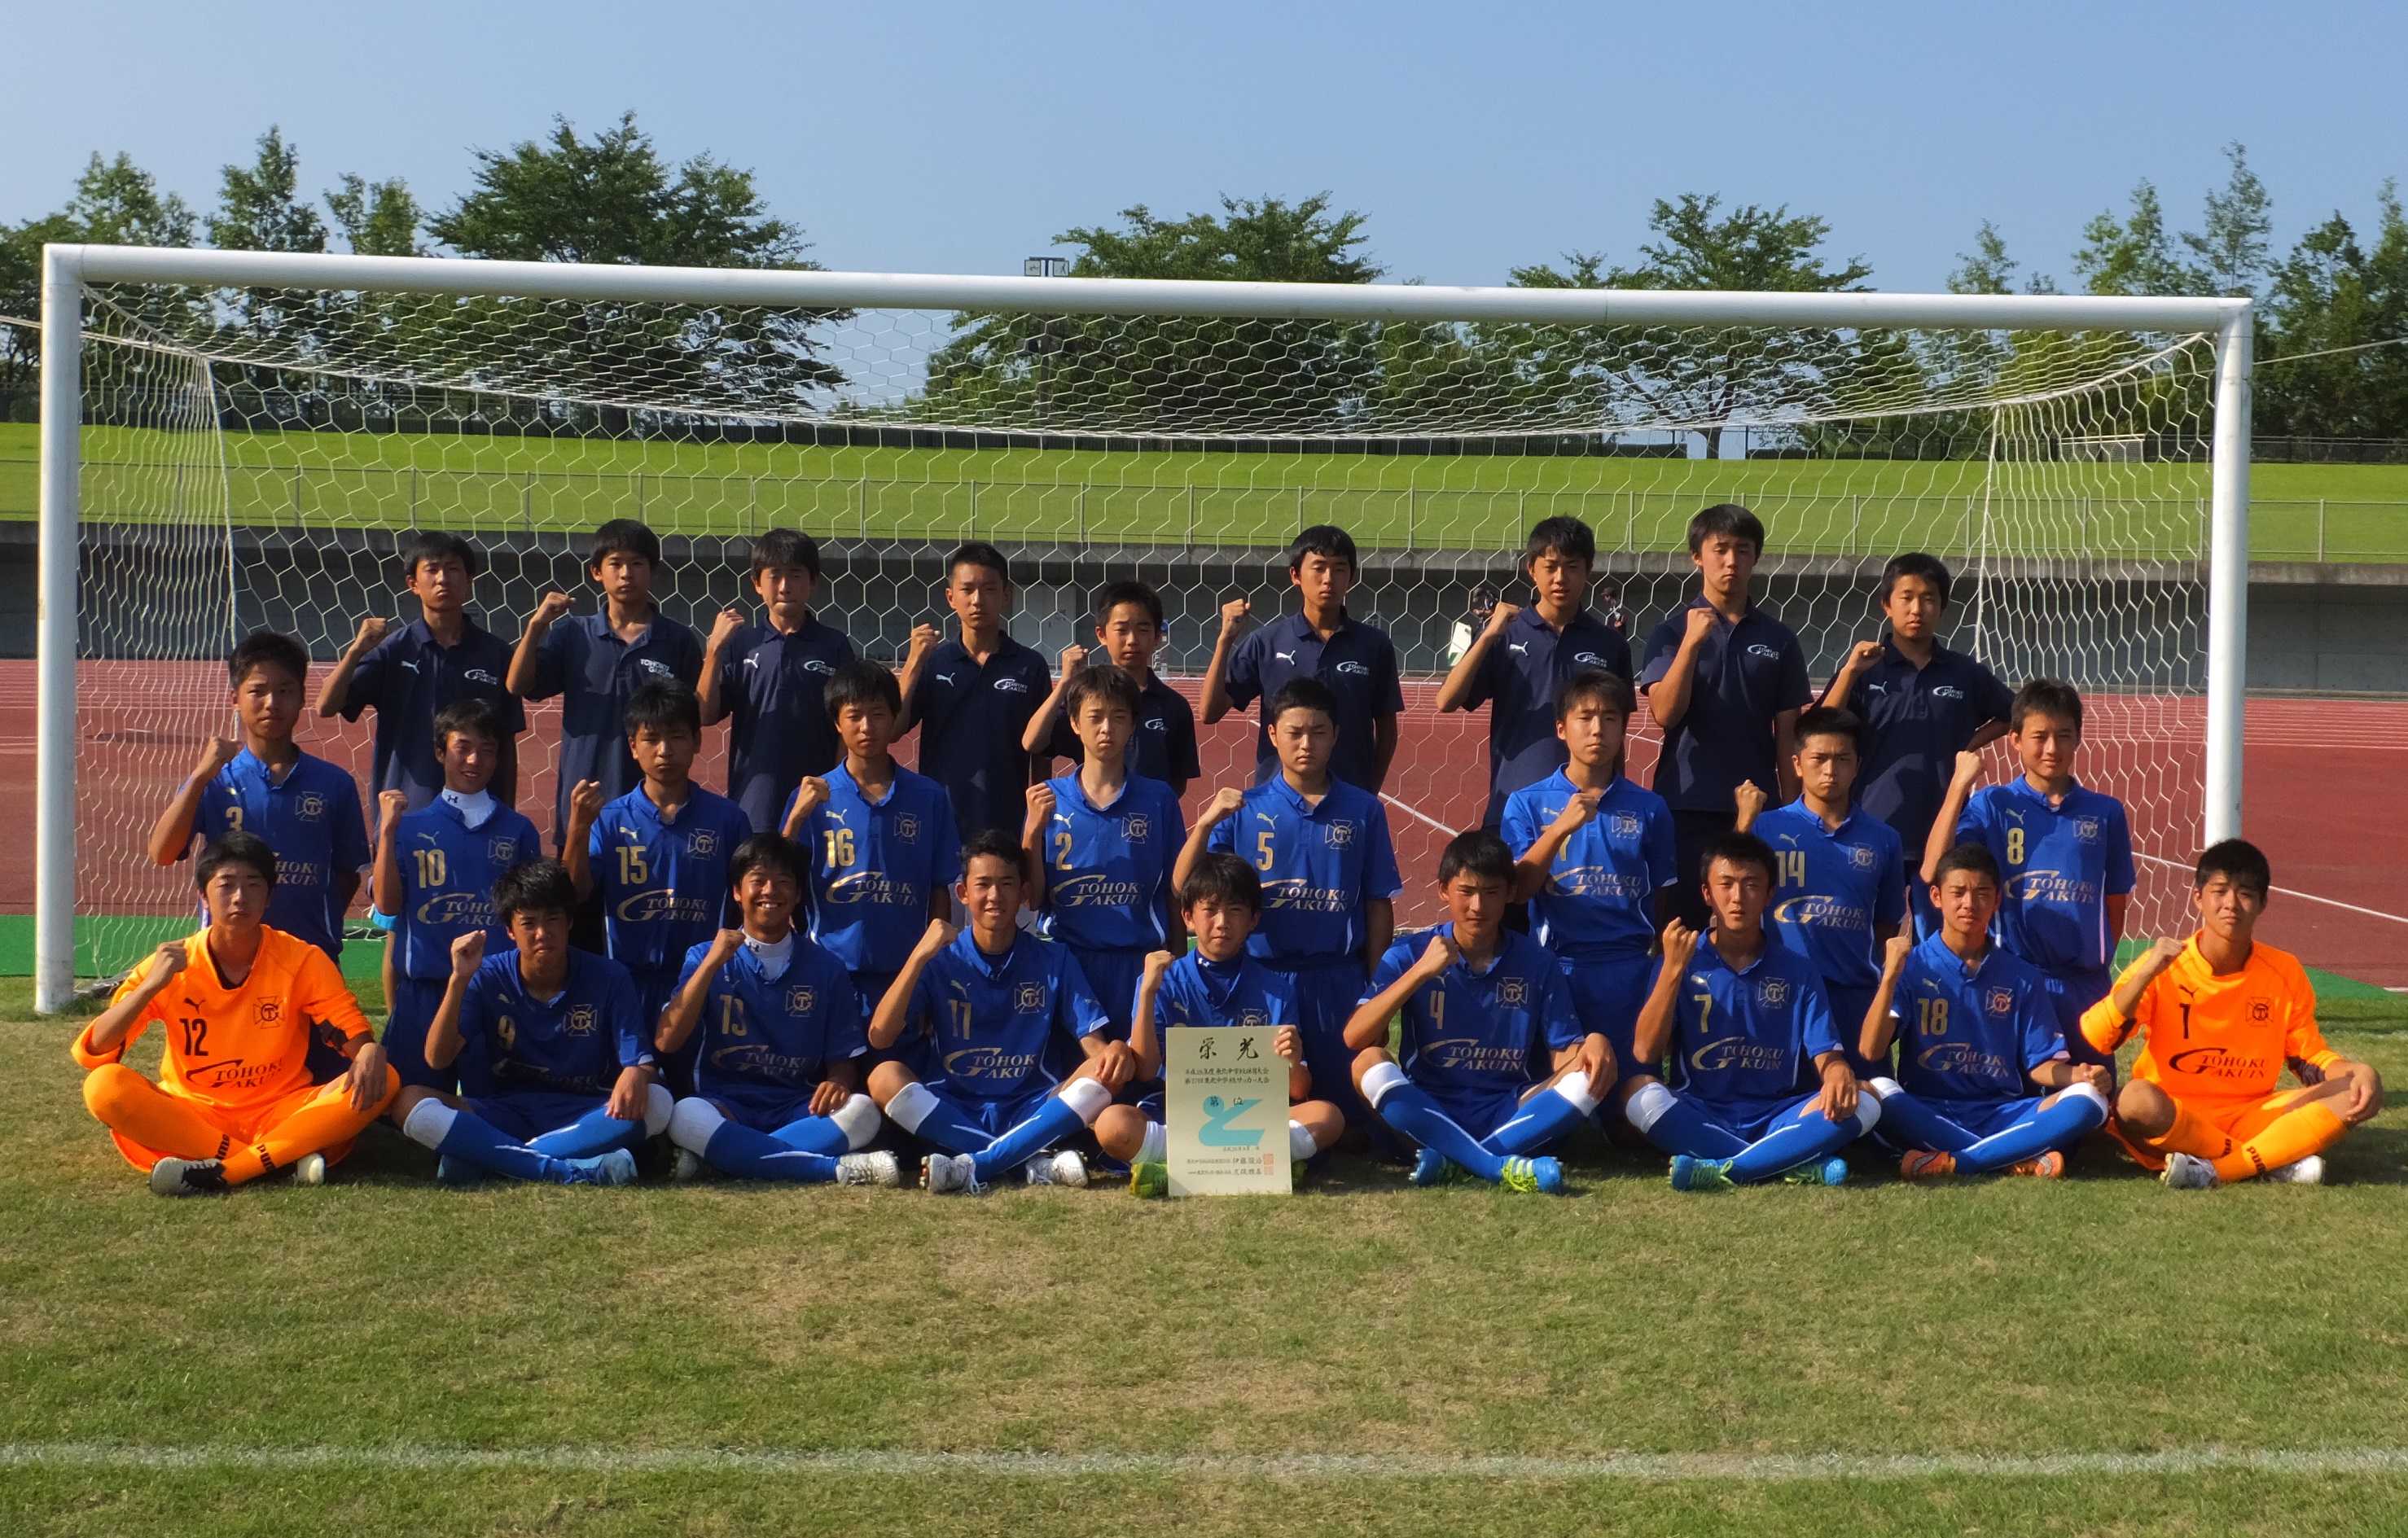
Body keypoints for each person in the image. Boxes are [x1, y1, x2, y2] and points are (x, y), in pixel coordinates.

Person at [75, 831, 396, 1195]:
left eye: (253, 885)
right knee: (103, 1087)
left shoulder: (300, 958)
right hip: (195, 1113)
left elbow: (347, 1026)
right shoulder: (172, 963)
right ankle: (280, 1159)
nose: (240, 898)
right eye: (226, 885)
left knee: (384, 1078)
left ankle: (225, 1171)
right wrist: (150, 987)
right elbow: (97, 1050)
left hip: (281, 1109)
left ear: (269, 896)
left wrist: (367, 1049)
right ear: (203, 896)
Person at [2083, 839, 2386, 1190]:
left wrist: (2356, 1071)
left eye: (2245, 894)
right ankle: (2267, 1159)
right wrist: (2146, 973)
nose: (2231, 904)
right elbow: (2097, 1035)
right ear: (2198, 898)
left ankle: (2216, 1171)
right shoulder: (2163, 965)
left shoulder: (2283, 970)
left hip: (2251, 1114)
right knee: (2135, 1099)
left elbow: (2308, 1057)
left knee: (2356, 1092)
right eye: (2220, 891)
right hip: (2174, 1112)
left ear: (2262, 904)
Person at [1178, 677, 1401, 1137]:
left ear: (1336, 736)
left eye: (1319, 732)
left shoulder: (1364, 810)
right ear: (1272, 735)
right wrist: (1203, 823)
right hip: (1261, 978)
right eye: (1295, 732)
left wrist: (1376, 986)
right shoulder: (1242, 808)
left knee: (1352, 1124)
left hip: (1337, 977)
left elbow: (1379, 903)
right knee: (1254, 1109)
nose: (1307, 743)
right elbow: (1184, 883)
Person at [866, 830, 1135, 1193]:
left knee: (1109, 1072)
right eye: (983, 885)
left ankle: (983, 1161)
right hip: (954, 1106)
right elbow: (880, 1035)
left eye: (1007, 884)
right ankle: (1027, 1161)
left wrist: (1115, 1052)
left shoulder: (1054, 957)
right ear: (963, 894)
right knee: (883, 1076)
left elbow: (1093, 1045)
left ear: (1023, 894)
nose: (995, 896)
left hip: (1034, 1105)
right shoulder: (939, 959)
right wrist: (918, 956)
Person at [1344, 831, 1612, 1194]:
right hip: (1428, 1110)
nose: (1477, 907)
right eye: (1466, 892)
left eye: (1491, 893)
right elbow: (1354, 1037)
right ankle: (1494, 1166)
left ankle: (1456, 1161)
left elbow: (1563, 1054)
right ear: (1443, 891)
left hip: (1511, 1110)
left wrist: (1592, 1045)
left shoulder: (1537, 962)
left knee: (1595, 1070)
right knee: (1367, 1062)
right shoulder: (1410, 953)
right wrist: (1422, 971)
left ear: (1511, 894)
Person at [1618, 832, 1878, 1191]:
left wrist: (1838, 1071)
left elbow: (1826, 1055)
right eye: (1726, 885)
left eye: (1751, 885)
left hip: (1778, 1115)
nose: (1738, 897)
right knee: (1637, 1091)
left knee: (1867, 1096)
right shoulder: (1677, 960)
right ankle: (1789, 1161)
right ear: (1707, 894)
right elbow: (1646, 1052)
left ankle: (1725, 1169)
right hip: (1700, 1111)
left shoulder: (1799, 969)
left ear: (1770, 894)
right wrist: (1674, 971)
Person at [393, 859, 665, 1185]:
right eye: (528, 923)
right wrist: (457, 980)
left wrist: (635, 1071)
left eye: (552, 920)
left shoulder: (609, 976)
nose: (542, 934)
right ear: (510, 930)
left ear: (569, 923)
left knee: (660, 1102)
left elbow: (642, 1064)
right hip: (504, 1113)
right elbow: (438, 1058)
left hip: (584, 1113)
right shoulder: (487, 975)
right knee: (409, 1101)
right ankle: (573, 1171)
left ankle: (486, 1159)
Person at [656, 832, 901, 1187]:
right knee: (685, 1115)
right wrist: (710, 966)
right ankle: (834, 1169)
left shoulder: (826, 967)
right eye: (758, 881)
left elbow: (843, 1061)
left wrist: (837, 1082)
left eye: (784, 882)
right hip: (728, 1106)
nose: (770, 891)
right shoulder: (703, 955)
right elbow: (667, 1041)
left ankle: (728, 1159)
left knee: (862, 1112)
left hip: (798, 1108)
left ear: (799, 894)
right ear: (738, 892)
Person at [1858, 843, 2111, 1178]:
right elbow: (1870, 1049)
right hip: (1930, 1110)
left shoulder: (2021, 975)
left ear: (1996, 900)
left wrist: (2078, 1075)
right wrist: (1889, 977)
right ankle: (2012, 1157)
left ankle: (1958, 1161)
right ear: (1936, 897)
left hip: (2004, 1112)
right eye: (1958, 892)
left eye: (1981, 893)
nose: (1969, 904)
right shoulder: (1912, 965)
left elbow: (2041, 1065)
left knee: (2091, 1101)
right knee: (1879, 1091)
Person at [1926, 678, 2134, 1071]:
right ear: (2016, 739)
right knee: (2015, 1096)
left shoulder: (2105, 812)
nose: (2052, 748)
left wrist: (2096, 964)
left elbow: (2115, 902)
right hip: (2014, 979)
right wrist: (1958, 787)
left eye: (2063, 736)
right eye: (2040, 737)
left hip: (2085, 985)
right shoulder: (1994, 804)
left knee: (2093, 1098)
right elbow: (1934, 869)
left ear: (2078, 739)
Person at [1112, 854, 1346, 1194]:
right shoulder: (1161, 981)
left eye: (1235, 910)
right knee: (1113, 1125)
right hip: (1179, 1112)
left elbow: (1297, 1089)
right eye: (1210, 910)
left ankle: (1177, 1168)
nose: (1222, 922)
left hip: (1253, 1114)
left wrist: (1293, 1062)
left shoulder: (1277, 988)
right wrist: (1147, 994)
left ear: (1254, 919)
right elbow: (1146, 1071)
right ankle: (1268, 1164)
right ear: (1188, 917)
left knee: (1328, 1116)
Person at [564, 681, 752, 1095]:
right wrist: (577, 828)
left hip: (700, 980)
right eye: (651, 739)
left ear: (698, 742)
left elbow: (748, 904)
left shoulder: (727, 819)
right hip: (628, 981)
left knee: (698, 1090)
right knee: (629, 1091)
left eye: (676, 737)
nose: (664, 750)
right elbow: (575, 893)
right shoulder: (610, 819)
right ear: (633, 747)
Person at [147, 629, 373, 975]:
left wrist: (316, 922)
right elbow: (162, 853)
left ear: (301, 698)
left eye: (284, 691)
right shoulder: (216, 779)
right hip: (230, 961)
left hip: (310, 959)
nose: (272, 703)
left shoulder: (334, 783)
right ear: (235, 699)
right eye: (258, 691)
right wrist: (199, 778)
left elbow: (347, 875)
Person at [1501, 669, 1678, 1109]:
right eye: (1586, 717)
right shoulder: (1525, 803)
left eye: (1611, 718)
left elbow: (1664, 896)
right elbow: (1518, 891)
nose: (1598, 729)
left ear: (1625, 728)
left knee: (1631, 1113)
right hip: (1556, 969)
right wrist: (1559, 827)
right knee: (1557, 1108)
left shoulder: (1650, 807)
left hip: (1628, 970)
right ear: (1562, 728)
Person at [1819, 553, 2014, 937]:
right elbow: (1819, 727)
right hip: (1871, 827)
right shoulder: (1866, 668)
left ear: (1942, 606)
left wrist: (1970, 743)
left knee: (1937, 942)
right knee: (1867, 940)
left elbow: (2015, 713)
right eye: (1906, 597)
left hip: (1940, 830)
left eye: (1928, 598)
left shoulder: (1964, 672)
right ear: (1886, 605)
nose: (1917, 608)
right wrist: (1848, 672)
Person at [1638, 504, 1812, 930]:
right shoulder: (1671, 632)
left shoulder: (1779, 639)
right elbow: (1664, 713)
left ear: (1756, 557)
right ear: (1698, 556)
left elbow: (1787, 735)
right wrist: (1693, 643)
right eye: (1720, 549)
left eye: (1743, 550)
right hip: (1686, 805)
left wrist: (1792, 811)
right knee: (1680, 929)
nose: (1731, 561)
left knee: (1756, 927)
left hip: (1759, 803)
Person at [370, 698, 542, 1098]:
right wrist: (388, 833)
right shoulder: (409, 828)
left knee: (498, 1103)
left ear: (498, 757)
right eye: (463, 746)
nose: (473, 760)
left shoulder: (518, 831)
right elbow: (387, 907)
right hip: (425, 989)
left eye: (486, 749)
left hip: (495, 992)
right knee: (408, 1104)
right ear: (439, 751)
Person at [782, 659, 961, 1029]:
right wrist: (795, 820)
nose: (866, 727)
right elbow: (779, 880)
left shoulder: (928, 797)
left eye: (878, 714)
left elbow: (939, 888)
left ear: (895, 718)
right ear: (837, 723)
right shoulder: (812, 797)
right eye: (854, 716)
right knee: (833, 1082)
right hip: (829, 973)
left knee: (893, 1078)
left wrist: (933, 969)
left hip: (904, 975)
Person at [507, 518, 703, 853]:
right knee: (583, 898)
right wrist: (537, 626)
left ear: (654, 571)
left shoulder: (678, 640)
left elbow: (700, 714)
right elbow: (519, 685)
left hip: (656, 804)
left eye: (637, 563)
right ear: (596, 571)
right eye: (616, 563)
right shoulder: (573, 635)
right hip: (586, 798)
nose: (627, 573)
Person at [1734, 707, 1907, 1077]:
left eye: (1842, 759)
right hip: (1779, 991)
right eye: (1820, 759)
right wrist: (1743, 824)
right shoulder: (1766, 828)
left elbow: (1887, 923)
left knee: (1872, 1107)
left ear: (1857, 765)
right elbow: (1729, 889)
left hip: (1853, 994)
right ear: (1797, 764)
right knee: (1780, 1100)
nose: (1831, 770)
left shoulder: (1884, 840)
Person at [1020, 666, 1187, 1045]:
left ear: (1133, 725)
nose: (1106, 729)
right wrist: (1032, 831)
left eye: (1118, 717)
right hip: (1068, 963)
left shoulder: (1158, 799)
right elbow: (1031, 898)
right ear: (1076, 724)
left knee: (1139, 1080)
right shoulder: (1048, 799)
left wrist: (1178, 963)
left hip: (1139, 962)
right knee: (1075, 1081)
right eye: (1095, 718)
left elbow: (1174, 892)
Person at [1436, 516, 1635, 828]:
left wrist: (1619, 803)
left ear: (1588, 570)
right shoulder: (1506, 635)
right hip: (1515, 805)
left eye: (1572, 566)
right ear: (1531, 569)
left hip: (1588, 809)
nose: (1561, 578)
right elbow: (1446, 701)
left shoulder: (1610, 644)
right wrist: (1488, 635)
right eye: (1550, 566)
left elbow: (1617, 734)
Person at [318, 529, 525, 811]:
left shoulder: (496, 653)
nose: (443, 579)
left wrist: (507, 811)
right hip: (407, 810)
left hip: (480, 814)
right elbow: (326, 707)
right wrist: (356, 651)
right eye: (432, 569)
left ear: (469, 582)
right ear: (413, 583)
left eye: (453, 569)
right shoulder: (393, 650)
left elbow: (506, 741)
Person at [1202, 524, 1403, 795]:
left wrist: (1368, 793)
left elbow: (1387, 730)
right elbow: (1210, 712)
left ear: (1351, 577)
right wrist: (1225, 640)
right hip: (1276, 802)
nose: (1328, 578)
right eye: (1318, 568)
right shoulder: (1266, 642)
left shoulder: (1374, 645)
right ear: (1295, 575)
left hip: (1348, 802)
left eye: (1339, 568)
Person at [697, 528, 857, 835]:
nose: (785, 586)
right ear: (757, 584)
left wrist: (838, 785)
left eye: (796, 575)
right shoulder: (740, 644)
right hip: (755, 800)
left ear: (814, 581)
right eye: (775, 576)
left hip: (818, 798)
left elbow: (846, 724)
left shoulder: (834, 646)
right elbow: (705, 715)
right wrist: (714, 650)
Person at [897, 541, 1052, 845]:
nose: (978, 600)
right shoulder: (934, 663)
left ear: (1006, 595)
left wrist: (1038, 819)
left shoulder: (1029, 666)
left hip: (1006, 819)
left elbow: (1041, 751)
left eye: (989, 589)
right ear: (951, 597)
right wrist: (914, 662)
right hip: (942, 819)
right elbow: (893, 729)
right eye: (967, 590)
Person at [1024, 579, 1200, 795]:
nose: (1132, 640)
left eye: (1143, 629)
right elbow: (1033, 743)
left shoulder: (1175, 706)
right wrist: (1064, 684)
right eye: (1122, 630)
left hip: (1147, 822)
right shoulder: (1086, 699)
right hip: (1094, 816)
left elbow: (1178, 782)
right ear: (1101, 635)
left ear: (1157, 637)